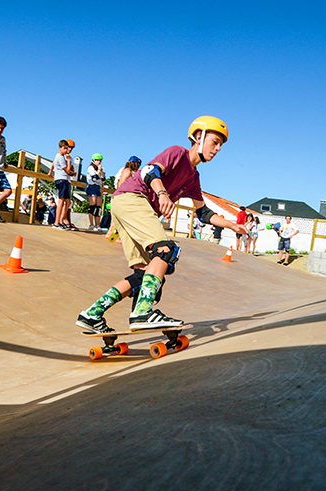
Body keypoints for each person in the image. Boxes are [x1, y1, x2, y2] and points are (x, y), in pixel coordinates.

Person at [76, 116, 248, 332]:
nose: (218, 149)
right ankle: (142, 313)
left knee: (142, 274)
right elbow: (150, 171)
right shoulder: (177, 153)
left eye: (221, 145)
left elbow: (203, 212)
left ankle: (92, 314)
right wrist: (162, 193)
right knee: (165, 251)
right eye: (215, 142)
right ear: (198, 137)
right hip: (134, 198)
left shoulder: (194, 177)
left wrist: (232, 225)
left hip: (125, 203)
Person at [107, 156, 143, 239]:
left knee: (118, 217)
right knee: (123, 216)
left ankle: (110, 233)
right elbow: (121, 183)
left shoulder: (126, 171)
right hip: (122, 196)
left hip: (121, 195)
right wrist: (121, 195)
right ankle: (117, 236)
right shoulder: (127, 171)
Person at [52, 140, 75, 230]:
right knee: (61, 201)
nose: (68, 150)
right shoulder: (61, 157)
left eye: (69, 148)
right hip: (62, 178)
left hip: (66, 180)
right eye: (66, 148)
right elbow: (68, 170)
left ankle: (60, 221)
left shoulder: (67, 157)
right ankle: (57, 222)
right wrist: (68, 161)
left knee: (68, 201)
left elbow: (71, 170)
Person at [87, 154, 105, 230]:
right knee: (93, 206)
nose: (99, 162)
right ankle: (91, 224)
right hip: (92, 186)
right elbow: (94, 178)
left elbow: (103, 180)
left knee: (98, 208)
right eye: (97, 160)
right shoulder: (91, 168)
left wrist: (102, 173)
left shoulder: (100, 169)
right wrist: (98, 171)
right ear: (94, 160)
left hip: (98, 187)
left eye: (100, 160)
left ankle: (97, 224)